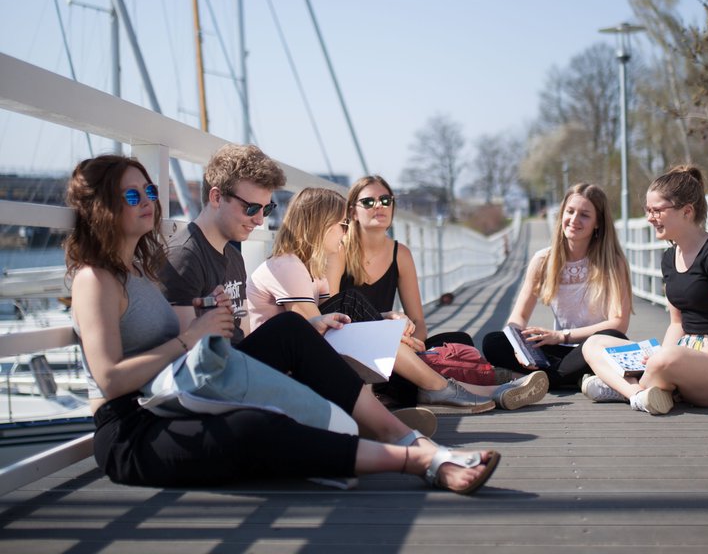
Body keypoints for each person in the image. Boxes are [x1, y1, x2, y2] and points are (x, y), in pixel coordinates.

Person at [65, 153, 500, 492]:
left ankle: (404, 436)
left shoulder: (141, 271)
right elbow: (108, 379)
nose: (148, 203)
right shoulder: (95, 279)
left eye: (151, 191)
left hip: (173, 399)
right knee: (254, 428)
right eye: (132, 196)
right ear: (102, 207)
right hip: (131, 429)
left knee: (294, 330)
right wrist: (192, 337)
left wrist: (202, 322)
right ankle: (418, 461)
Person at [247, 187, 548, 412]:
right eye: (341, 224)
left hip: (311, 367)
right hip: (281, 374)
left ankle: (473, 390)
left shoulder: (313, 271)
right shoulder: (287, 265)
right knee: (350, 304)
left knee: (429, 343)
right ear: (318, 225)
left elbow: (329, 324)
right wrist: (384, 331)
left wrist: (386, 321)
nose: (345, 231)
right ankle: (448, 389)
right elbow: (315, 331)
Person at [580, 165, 708, 415]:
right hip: (682, 354)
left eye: (656, 210)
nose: (649, 217)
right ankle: (639, 394)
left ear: (687, 211)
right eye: (648, 210)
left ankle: (623, 388)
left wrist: (674, 358)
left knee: (666, 359)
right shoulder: (669, 258)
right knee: (593, 343)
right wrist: (658, 356)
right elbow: (676, 324)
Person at [481, 183, 632, 389]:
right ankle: (576, 378)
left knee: (615, 337)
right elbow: (519, 317)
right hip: (557, 350)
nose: (574, 220)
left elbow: (618, 324)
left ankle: (541, 378)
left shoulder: (613, 263)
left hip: (594, 348)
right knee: (494, 341)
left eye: (585, 215)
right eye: (570, 211)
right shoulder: (543, 260)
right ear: (562, 214)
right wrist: (518, 345)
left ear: (598, 223)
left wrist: (562, 336)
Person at [160, 143, 286, 344]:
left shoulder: (235, 257)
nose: (260, 220)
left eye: (267, 209)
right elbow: (187, 353)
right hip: (219, 367)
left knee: (295, 328)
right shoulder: (184, 257)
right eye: (252, 208)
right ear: (217, 197)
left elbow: (244, 335)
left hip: (240, 360)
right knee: (291, 329)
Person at [327, 175, 472, 349]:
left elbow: (418, 321)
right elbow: (332, 315)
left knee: (461, 340)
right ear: (353, 212)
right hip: (351, 343)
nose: (379, 205)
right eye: (368, 202)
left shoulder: (400, 254)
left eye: (386, 200)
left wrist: (412, 344)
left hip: (392, 344)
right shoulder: (340, 250)